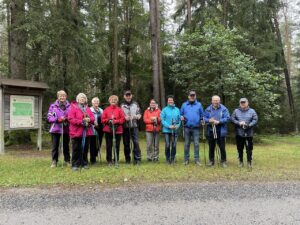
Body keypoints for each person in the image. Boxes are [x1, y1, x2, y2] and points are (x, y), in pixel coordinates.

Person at [68, 93, 95, 171]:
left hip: (86, 132)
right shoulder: (73, 107)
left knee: (85, 148)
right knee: (76, 148)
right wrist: (81, 122)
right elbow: (71, 119)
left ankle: (84, 163)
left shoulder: (87, 108)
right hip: (76, 132)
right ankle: (75, 164)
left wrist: (89, 119)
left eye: (83, 97)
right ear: (78, 99)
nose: (82, 99)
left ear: (85, 99)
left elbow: (92, 118)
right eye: (80, 98)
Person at [231, 98, 258, 168]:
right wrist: (239, 123)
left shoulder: (252, 111)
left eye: (244, 102)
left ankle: (249, 162)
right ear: (239, 103)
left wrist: (249, 125)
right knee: (239, 148)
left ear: (247, 103)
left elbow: (255, 119)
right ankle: (240, 161)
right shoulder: (236, 111)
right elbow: (232, 119)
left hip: (249, 133)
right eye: (241, 103)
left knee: (249, 148)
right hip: (239, 133)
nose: (243, 104)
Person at [204, 95, 230, 167]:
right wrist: (209, 120)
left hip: (221, 131)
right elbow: (204, 117)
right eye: (214, 100)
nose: (216, 102)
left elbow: (227, 118)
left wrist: (219, 121)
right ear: (212, 101)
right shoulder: (208, 109)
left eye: (217, 100)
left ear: (219, 101)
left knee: (222, 147)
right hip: (211, 130)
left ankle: (223, 161)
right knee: (211, 146)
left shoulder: (224, 109)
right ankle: (211, 161)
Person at [47, 90, 71, 168]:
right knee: (55, 146)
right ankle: (54, 161)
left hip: (66, 128)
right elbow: (49, 117)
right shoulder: (53, 106)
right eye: (60, 96)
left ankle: (67, 160)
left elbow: (72, 116)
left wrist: (67, 118)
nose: (62, 97)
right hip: (55, 129)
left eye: (63, 96)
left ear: (66, 97)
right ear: (58, 97)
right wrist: (57, 119)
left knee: (66, 146)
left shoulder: (69, 106)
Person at [180, 91, 204, 166]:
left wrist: (202, 120)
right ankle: (186, 159)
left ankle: (197, 160)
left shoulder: (199, 105)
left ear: (195, 96)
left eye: (193, 96)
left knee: (196, 144)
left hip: (196, 128)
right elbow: (181, 114)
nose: (192, 97)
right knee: (186, 144)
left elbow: (202, 115)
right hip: (187, 127)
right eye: (191, 95)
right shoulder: (184, 105)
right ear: (188, 96)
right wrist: (181, 117)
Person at [101, 95, 125, 166]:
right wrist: (109, 120)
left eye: (115, 100)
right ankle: (109, 160)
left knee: (116, 145)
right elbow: (102, 120)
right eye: (112, 100)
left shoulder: (119, 110)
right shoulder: (106, 110)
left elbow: (123, 119)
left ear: (117, 101)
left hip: (118, 130)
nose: (113, 101)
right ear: (109, 101)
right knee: (109, 145)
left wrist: (116, 121)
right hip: (108, 130)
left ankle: (116, 159)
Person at [120, 90, 142, 165]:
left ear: (131, 96)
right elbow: (120, 115)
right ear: (124, 96)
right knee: (126, 144)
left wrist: (135, 116)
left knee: (136, 143)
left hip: (134, 126)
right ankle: (127, 159)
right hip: (125, 126)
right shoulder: (121, 105)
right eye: (127, 95)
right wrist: (125, 117)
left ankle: (137, 159)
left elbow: (139, 114)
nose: (128, 97)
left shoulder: (136, 104)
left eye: (129, 95)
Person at [160, 95, 181, 164]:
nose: (170, 101)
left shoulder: (177, 109)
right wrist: (169, 126)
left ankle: (173, 158)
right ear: (167, 101)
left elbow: (179, 120)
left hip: (175, 130)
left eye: (171, 100)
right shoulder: (164, 109)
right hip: (167, 131)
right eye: (169, 100)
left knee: (174, 145)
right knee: (167, 145)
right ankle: (167, 159)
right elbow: (162, 120)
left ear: (173, 101)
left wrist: (177, 126)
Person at [89, 97, 104, 165]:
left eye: (97, 101)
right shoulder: (89, 110)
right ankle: (93, 159)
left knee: (98, 144)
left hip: (100, 129)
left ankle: (95, 155)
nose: (96, 102)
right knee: (93, 145)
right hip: (92, 129)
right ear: (92, 102)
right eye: (95, 101)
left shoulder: (101, 110)